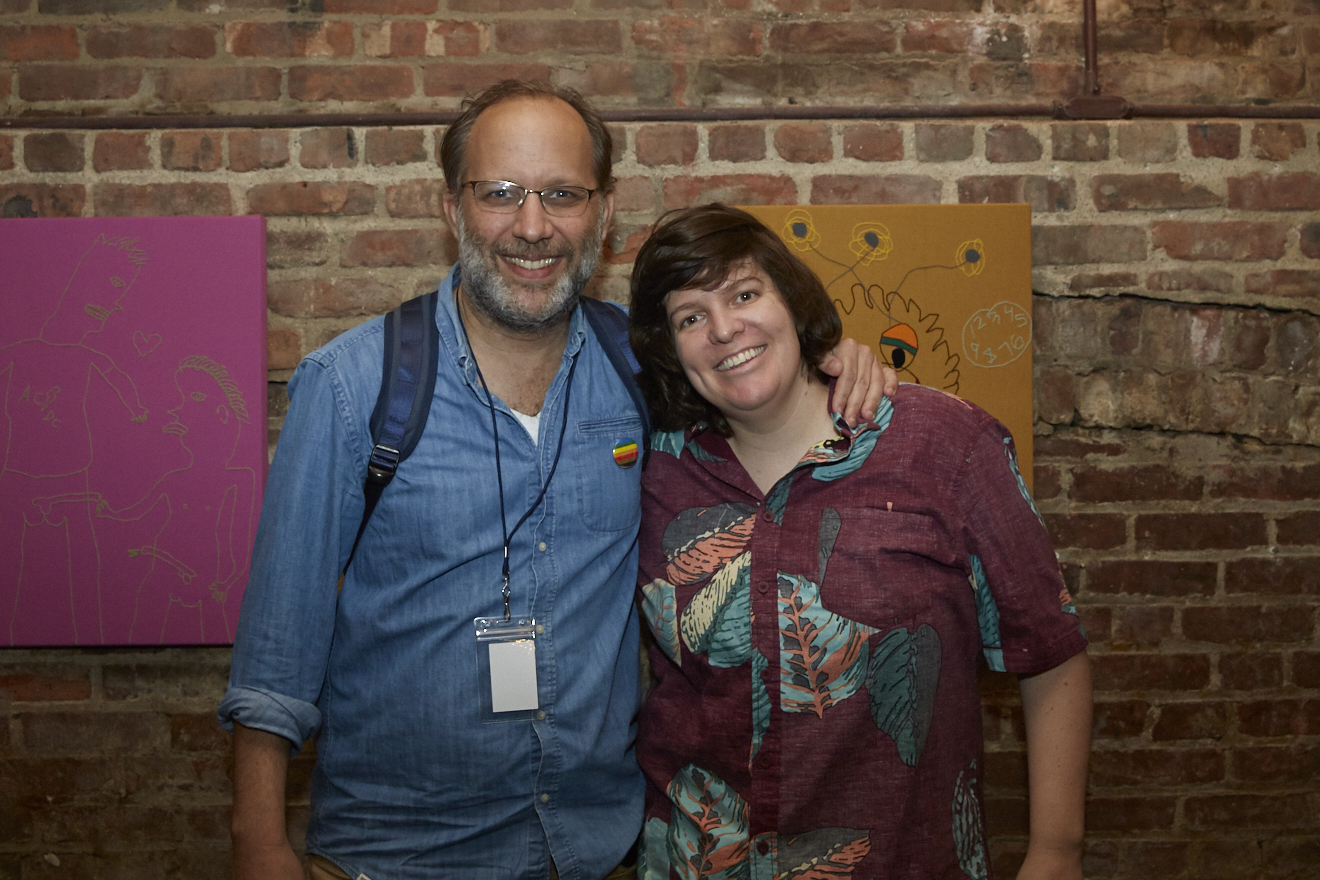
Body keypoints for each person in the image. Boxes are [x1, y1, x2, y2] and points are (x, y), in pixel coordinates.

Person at [218, 82, 896, 880]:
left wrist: (834, 357)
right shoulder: (352, 388)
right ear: (452, 210)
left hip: (597, 851)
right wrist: (260, 846)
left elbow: (754, 382)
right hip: (397, 857)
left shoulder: (646, 372)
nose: (533, 227)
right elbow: (277, 648)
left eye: (563, 195)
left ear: (603, 218)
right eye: (500, 193)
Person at [626, 204, 1092, 880]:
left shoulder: (945, 444)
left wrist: (1057, 850)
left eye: (745, 294)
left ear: (793, 301)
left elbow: (1050, 650)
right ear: (671, 349)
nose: (725, 329)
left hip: (902, 859)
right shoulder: (653, 466)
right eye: (690, 317)